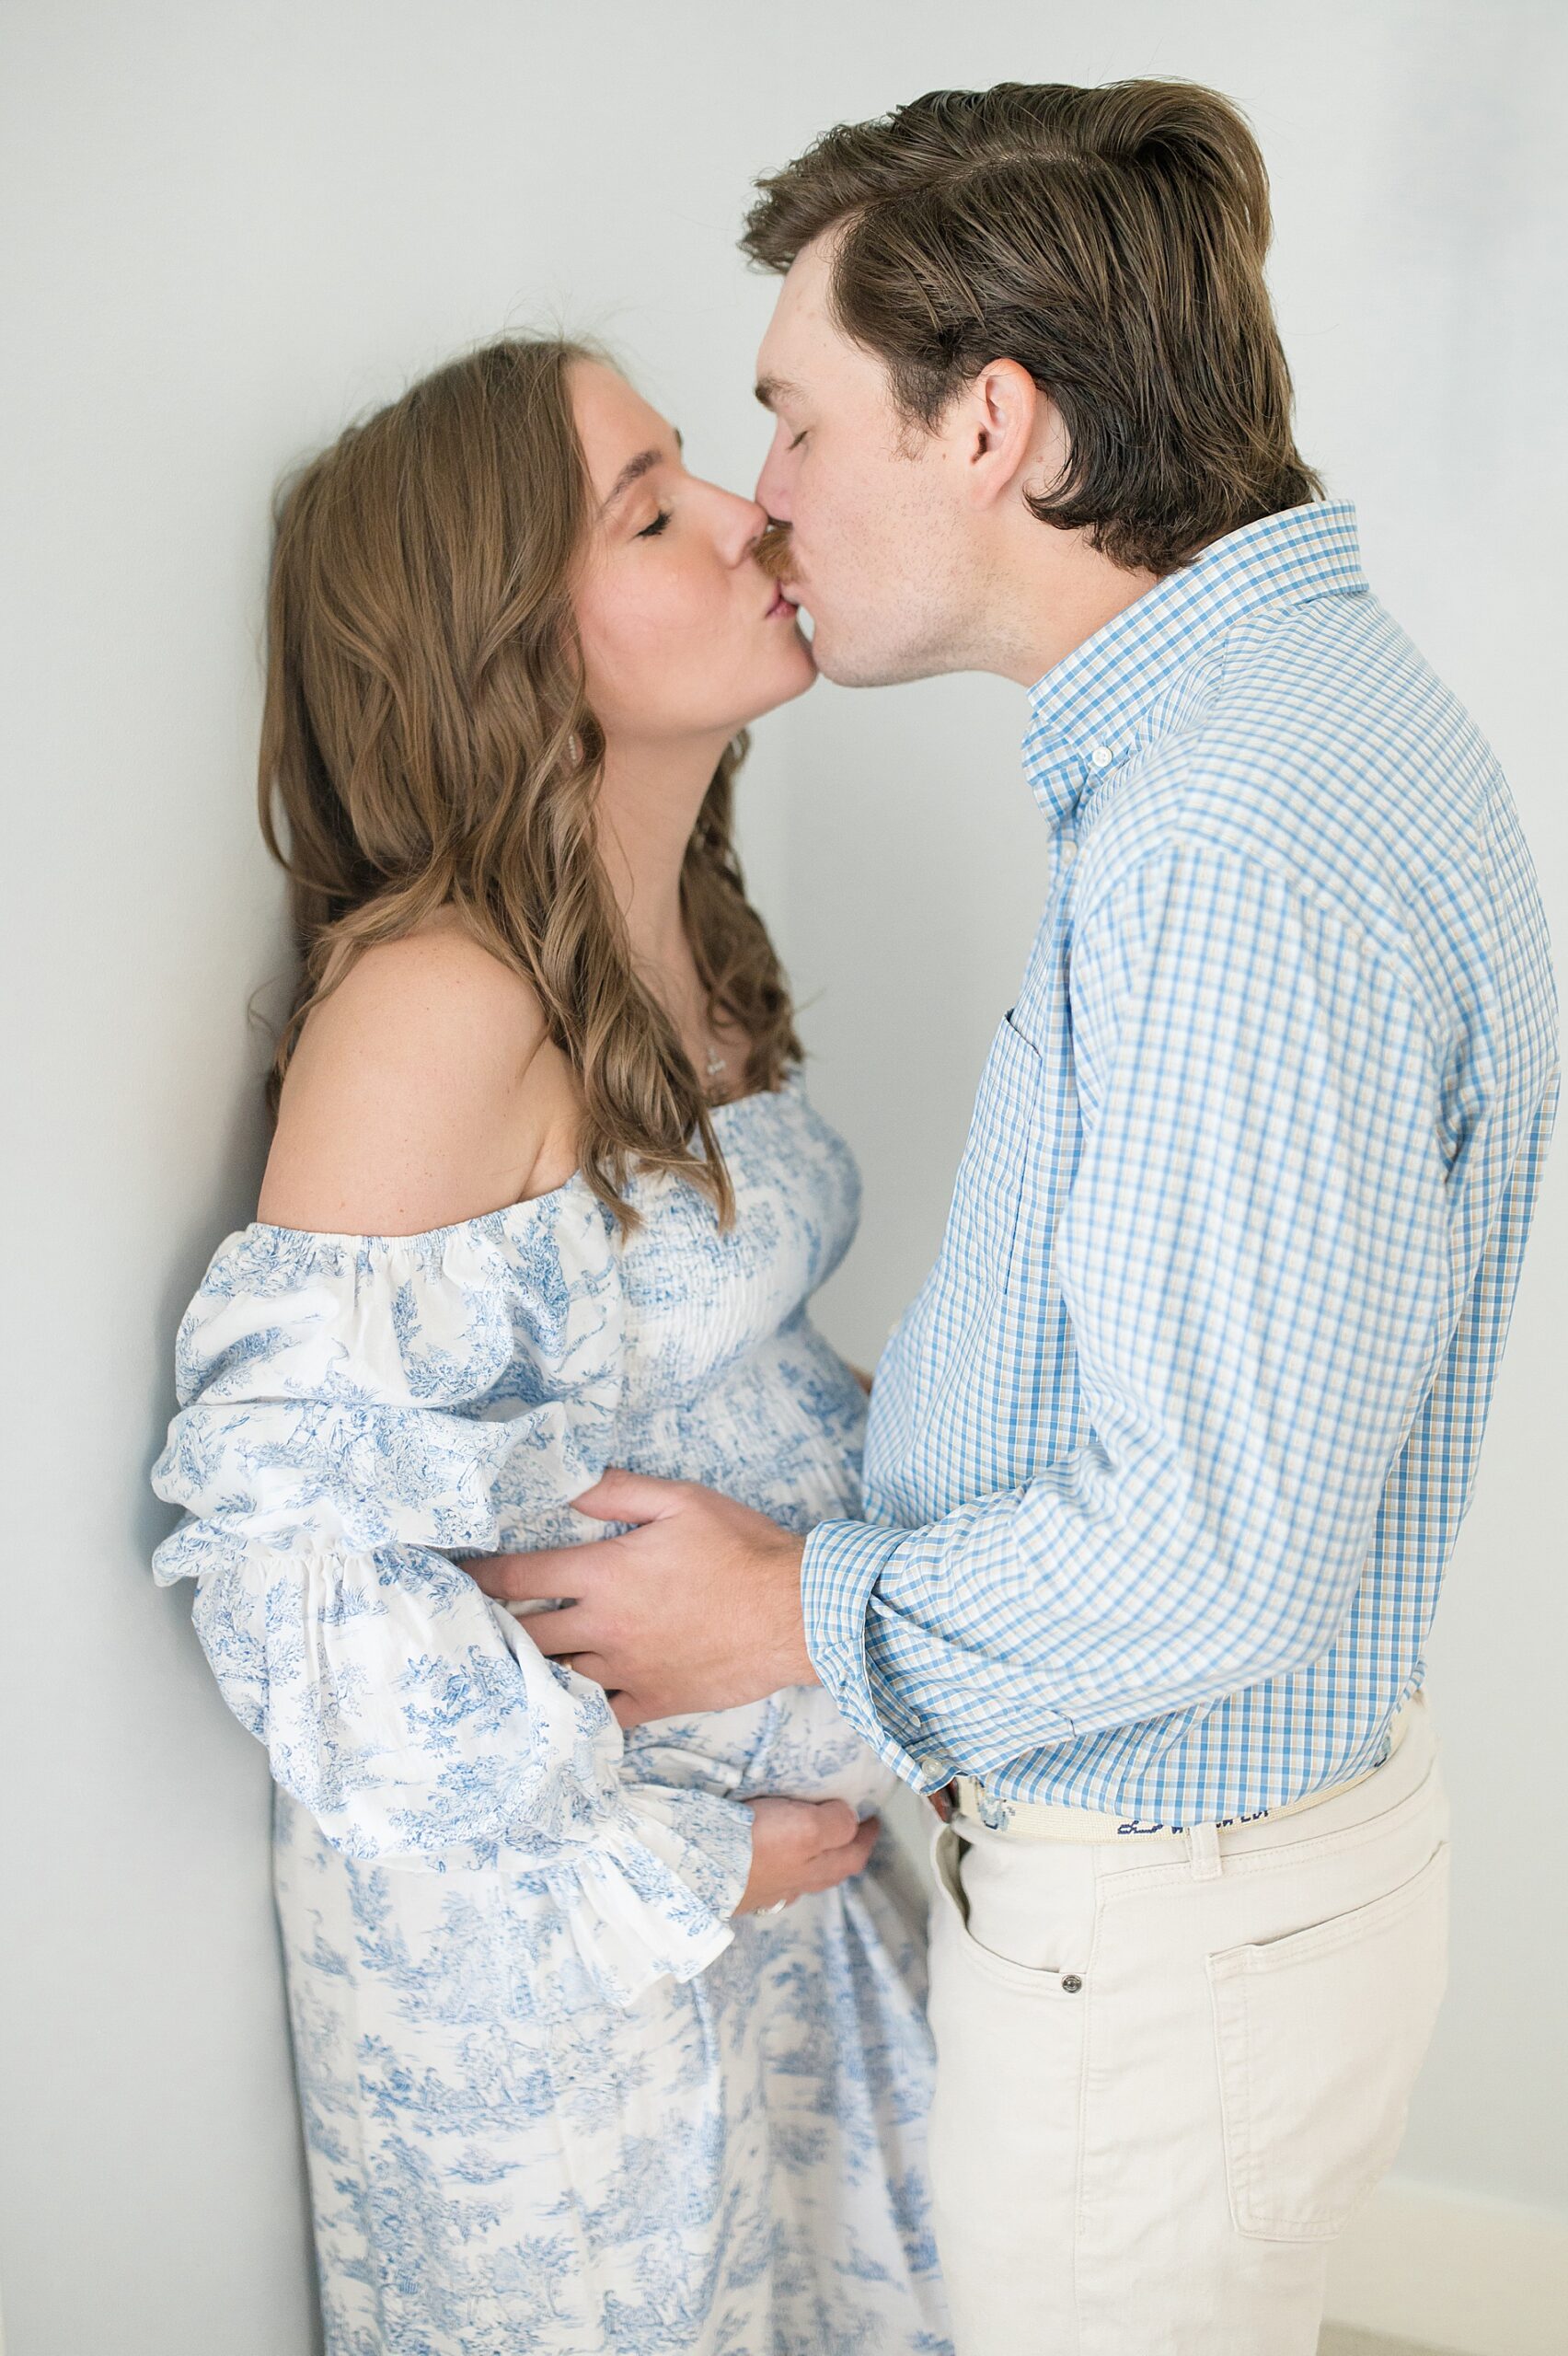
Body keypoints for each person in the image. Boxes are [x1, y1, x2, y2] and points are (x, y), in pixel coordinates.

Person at [471, 81, 1560, 2354]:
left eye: (789, 418)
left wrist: (781, 1612)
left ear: (992, 422)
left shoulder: (1226, 839)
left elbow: (1202, 1558)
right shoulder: (1273, 722)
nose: (767, 503)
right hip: (1223, 1911)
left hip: (1167, 1955)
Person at [151, 338, 951, 2355]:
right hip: (559, 1962)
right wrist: (683, 1856)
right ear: (501, 636)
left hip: (768, 1885)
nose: (750, 515)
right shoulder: (440, 1001)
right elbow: (292, 1573)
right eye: (653, 504)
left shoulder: (684, 934)